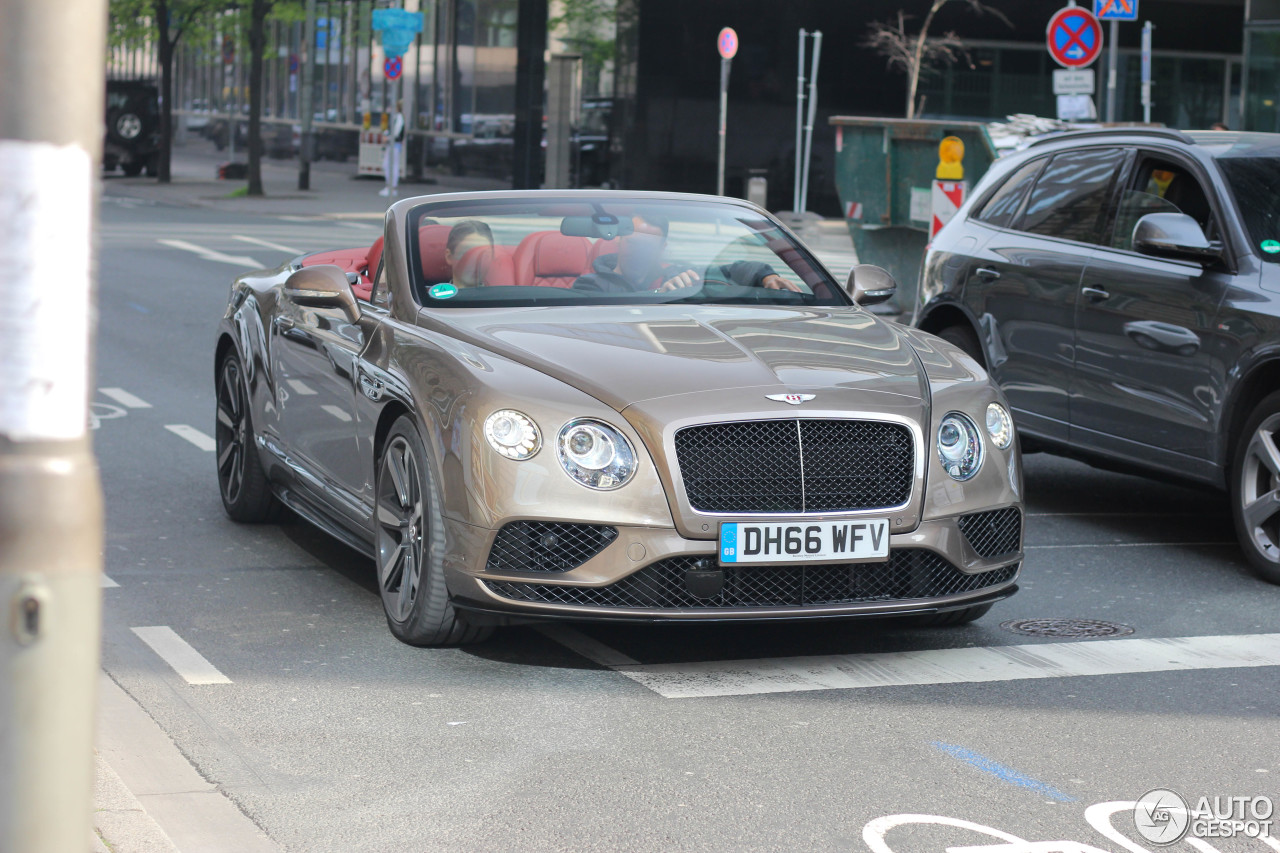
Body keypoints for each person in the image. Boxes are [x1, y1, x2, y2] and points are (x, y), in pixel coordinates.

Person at [573, 214, 800, 293]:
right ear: (620, 241)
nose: (639, 252)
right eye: (634, 243)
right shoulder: (591, 286)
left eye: (648, 246)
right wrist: (660, 295)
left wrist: (766, 277)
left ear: (661, 249)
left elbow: (729, 271)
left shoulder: (678, 274)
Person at [441, 220, 495, 289]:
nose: (477, 262)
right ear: (449, 257)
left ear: (492, 258)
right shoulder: (431, 297)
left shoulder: (502, 296)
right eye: (467, 254)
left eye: (484, 255)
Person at [379, 100, 406, 198]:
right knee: (388, 164)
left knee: (391, 165)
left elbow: (396, 133)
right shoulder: (396, 117)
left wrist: (388, 137)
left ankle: (392, 187)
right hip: (392, 144)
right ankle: (389, 186)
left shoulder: (399, 117)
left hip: (395, 144)